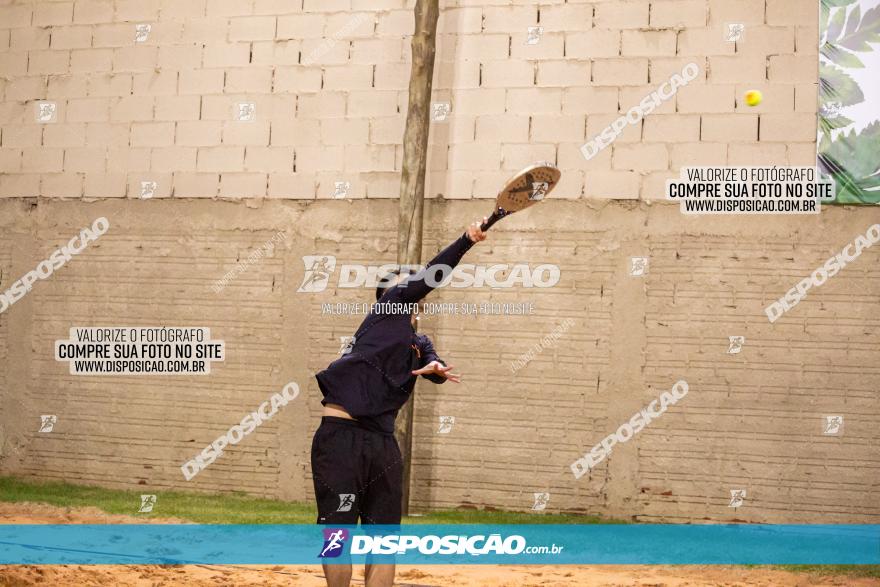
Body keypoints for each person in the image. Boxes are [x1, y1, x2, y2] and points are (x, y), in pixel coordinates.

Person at [311, 219, 488, 587]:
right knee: (338, 535)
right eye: (406, 284)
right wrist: (466, 240)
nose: (413, 288)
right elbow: (430, 278)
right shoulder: (385, 313)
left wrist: (436, 369)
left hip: (383, 444)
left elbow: (432, 364)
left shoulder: (417, 341)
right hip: (341, 438)